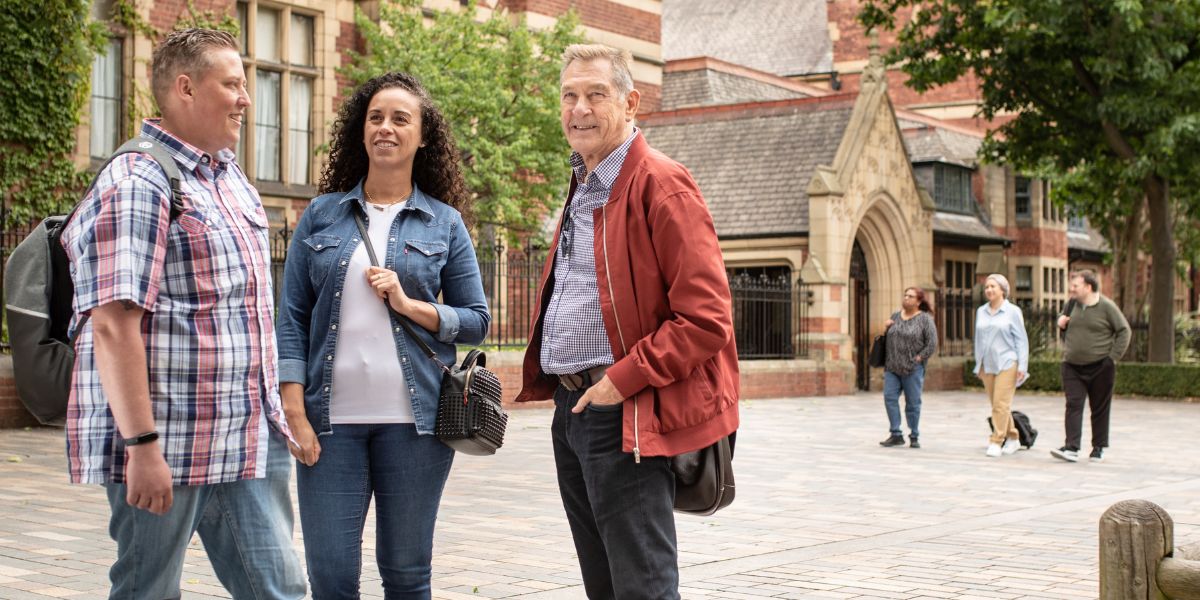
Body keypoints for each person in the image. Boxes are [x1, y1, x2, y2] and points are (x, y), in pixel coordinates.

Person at [60, 28, 305, 599]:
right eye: (233, 85)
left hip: (244, 438)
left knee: (282, 590)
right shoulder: (139, 181)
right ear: (186, 88)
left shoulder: (229, 178)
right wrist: (142, 447)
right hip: (168, 440)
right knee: (149, 590)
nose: (247, 98)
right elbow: (112, 324)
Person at [514, 44, 740, 599]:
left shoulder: (661, 183)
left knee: (642, 587)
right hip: (573, 412)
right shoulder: (582, 186)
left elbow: (707, 318)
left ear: (630, 102)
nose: (579, 109)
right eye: (569, 95)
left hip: (624, 409)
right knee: (605, 587)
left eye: (596, 94)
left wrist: (622, 380)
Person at [275, 71, 489, 598]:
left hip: (415, 428)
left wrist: (411, 304)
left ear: (422, 137)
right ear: (361, 130)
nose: (385, 128)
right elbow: (290, 318)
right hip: (329, 424)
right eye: (375, 117)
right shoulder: (322, 216)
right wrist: (294, 410)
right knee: (330, 578)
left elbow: (478, 319)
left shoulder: (444, 223)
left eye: (400, 118)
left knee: (408, 575)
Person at [1051, 270, 1130, 463]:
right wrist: (1061, 324)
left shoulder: (1107, 307)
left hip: (1100, 366)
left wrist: (1112, 358)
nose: (1072, 289)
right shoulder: (1071, 305)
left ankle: (1098, 447)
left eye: (1075, 285)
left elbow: (1124, 331)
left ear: (1088, 287)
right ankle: (1071, 447)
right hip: (1072, 366)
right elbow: (1066, 328)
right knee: (1073, 404)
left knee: (1099, 407)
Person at [973, 273, 1029, 458]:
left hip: (1008, 362)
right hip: (987, 364)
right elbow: (978, 340)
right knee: (998, 406)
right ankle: (1013, 437)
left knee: (1000, 404)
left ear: (1002, 290)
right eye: (987, 287)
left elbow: (1021, 340)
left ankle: (996, 440)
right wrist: (978, 364)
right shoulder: (981, 311)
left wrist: (1022, 366)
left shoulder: (1012, 311)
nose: (988, 290)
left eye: (993, 287)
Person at [878, 287, 938, 449]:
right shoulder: (895, 316)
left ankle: (914, 434)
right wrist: (886, 328)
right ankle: (896, 434)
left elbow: (932, 343)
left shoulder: (925, 319)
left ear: (918, 301)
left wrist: (919, 358)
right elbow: (888, 339)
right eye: (905, 295)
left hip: (913, 368)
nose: (906, 298)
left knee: (912, 402)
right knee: (889, 398)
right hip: (892, 366)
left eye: (910, 296)